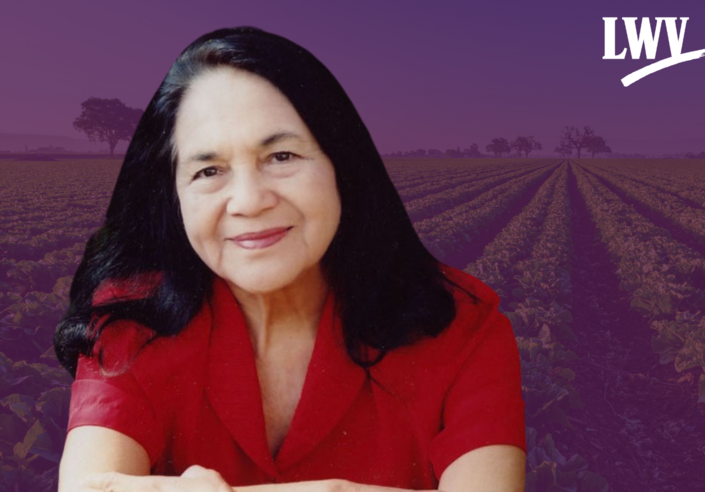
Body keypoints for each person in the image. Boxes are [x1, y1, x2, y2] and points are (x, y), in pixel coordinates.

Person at [54, 26, 526, 492]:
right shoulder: (131, 319)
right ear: (173, 195)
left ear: (343, 165)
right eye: (209, 170)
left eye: (281, 156)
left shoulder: (463, 328)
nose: (249, 200)